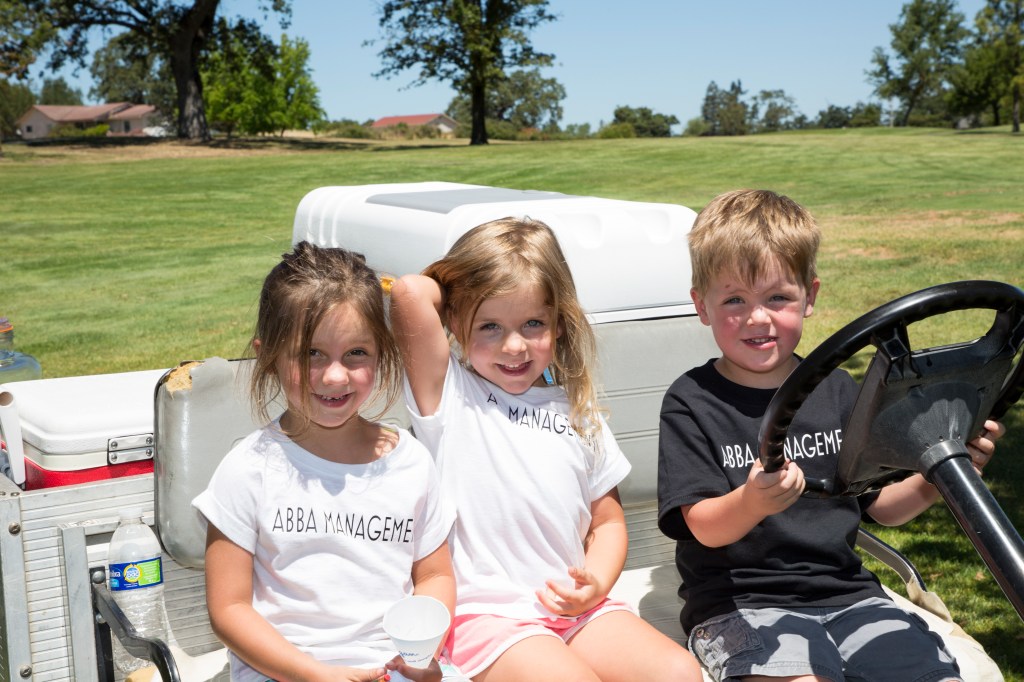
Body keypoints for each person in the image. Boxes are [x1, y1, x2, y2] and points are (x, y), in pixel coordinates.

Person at [657, 188, 1005, 682]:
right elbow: (704, 527)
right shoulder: (691, 401)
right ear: (702, 305)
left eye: (778, 297)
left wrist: (942, 472)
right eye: (734, 299)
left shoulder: (840, 391)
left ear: (810, 296)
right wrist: (753, 502)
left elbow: (882, 507)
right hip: (741, 604)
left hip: (851, 596)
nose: (758, 317)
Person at [390, 217, 703, 682]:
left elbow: (607, 523)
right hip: (489, 616)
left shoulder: (579, 411)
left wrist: (596, 583)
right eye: (490, 326)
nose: (514, 345)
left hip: (574, 609)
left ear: (559, 323)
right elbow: (409, 294)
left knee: (679, 673)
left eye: (533, 323)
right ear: (455, 321)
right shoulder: (449, 396)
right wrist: (462, 284)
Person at [193, 242, 456, 682]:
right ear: (268, 355)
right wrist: (312, 673)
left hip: (393, 668)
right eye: (311, 353)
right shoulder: (248, 469)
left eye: (356, 352)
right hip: (283, 671)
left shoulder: (412, 463)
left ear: (382, 351)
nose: (335, 375)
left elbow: (434, 577)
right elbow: (229, 608)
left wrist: (421, 650)